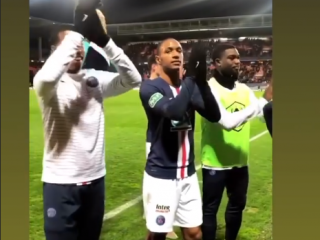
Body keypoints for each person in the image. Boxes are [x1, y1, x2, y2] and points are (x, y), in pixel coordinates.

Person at [33, 6, 141, 240]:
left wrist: (105, 41)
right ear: (56, 51)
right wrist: (78, 33)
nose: (79, 49)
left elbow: (134, 79)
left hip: (95, 180)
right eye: (72, 45)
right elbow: (45, 78)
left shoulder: (95, 79)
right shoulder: (48, 84)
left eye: (82, 46)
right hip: (61, 183)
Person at [139, 39, 261, 240]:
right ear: (158, 59)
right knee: (158, 233)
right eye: (169, 51)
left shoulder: (190, 88)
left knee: (195, 233)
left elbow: (214, 115)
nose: (176, 54)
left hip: (188, 174)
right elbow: (174, 111)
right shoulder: (150, 88)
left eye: (179, 50)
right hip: (161, 174)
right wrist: (192, 79)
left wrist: (202, 81)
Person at [200, 44, 272, 240]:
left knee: (237, 206)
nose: (237, 61)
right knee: (210, 210)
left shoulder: (244, 89)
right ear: (217, 63)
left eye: (238, 57)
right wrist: (256, 105)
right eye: (231, 57)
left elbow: (259, 115)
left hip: (240, 162)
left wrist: (267, 98)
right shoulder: (208, 89)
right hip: (215, 163)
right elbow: (227, 122)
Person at [143, 54, 179, 240]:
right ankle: (155, 220)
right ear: (155, 65)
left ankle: (163, 220)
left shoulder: (166, 83)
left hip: (164, 139)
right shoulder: (151, 86)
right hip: (154, 140)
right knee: (154, 184)